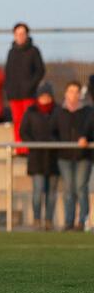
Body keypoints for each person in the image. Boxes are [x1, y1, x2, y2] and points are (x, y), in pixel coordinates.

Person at [52, 81, 93, 231]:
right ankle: (69, 222)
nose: (73, 95)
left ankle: (83, 221)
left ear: (80, 94)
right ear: (65, 93)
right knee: (69, 189)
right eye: (70, 91)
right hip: (65, 157)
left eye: (76, 91)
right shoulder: (58, 112)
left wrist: (87, 138)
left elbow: (92, 130)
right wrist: (60, 144)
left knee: (81, 188)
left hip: (84, 156)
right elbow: (52, 132)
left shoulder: (88, 111)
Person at [19, 83, 60, 231]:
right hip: (36, 158)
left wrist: (55, 142)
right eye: (43, 96)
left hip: (54, 158)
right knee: (38, 190)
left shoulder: (58, 111)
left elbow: (62, 131)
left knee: (51, 193)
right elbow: (23, 131)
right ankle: (37, 219)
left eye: (48, 96)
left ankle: (48, 220)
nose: (45, 99)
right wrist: (33, 144)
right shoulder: (31, 112)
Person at [5, 23, 45, 154]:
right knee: (17, 121)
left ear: (27, 35)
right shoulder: (11, 52)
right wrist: (9, 89)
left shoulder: (34, 51)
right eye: (17, 34)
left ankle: (29, 147)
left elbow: (40, 71)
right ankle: (19, 147)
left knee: (28, 121)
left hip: (29, 94)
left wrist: (30, 85)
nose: (20, 36)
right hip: (14, 95)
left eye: (22, 33)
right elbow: (8, 72)